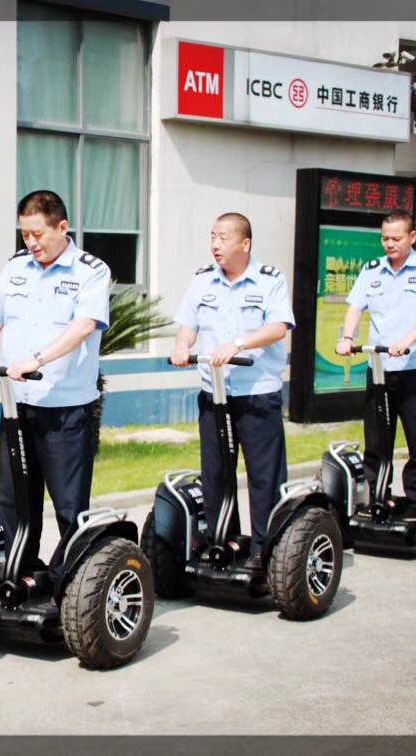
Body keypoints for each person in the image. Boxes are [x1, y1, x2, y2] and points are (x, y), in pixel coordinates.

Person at [0, 190, 110, 581]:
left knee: (69, 506)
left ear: (62, 227)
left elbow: (83, 327)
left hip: (66, 409)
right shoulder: (17, 267)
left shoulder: (91, 271)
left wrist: (37, 360)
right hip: (18, 404)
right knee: (14, 501)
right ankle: (18, 575)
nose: (31, 242)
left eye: (38, 234)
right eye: (25, 234)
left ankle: (70, 585)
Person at [170, 212, 295, 575]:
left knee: (263, 477)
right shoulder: (202, 280)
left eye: (223, 238)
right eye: (213, 237)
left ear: (245, 243)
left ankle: (265, 550)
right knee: (215, 475)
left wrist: (238, 344)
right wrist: (182, 345)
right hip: (214, 395)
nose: (215, 244)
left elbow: (278, 327)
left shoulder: (269, 279)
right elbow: (187, 325)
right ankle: (224, 543)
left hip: (256, 395)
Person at [336, 210, 416, 505]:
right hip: (379, 368)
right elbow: (355, 307)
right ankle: (377, 498)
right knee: (376, 440)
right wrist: (347, 337)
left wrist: (407, 341)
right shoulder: (372, 270)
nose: (389, 244)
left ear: (412, 237)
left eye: (396, 238)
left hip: (414, 369)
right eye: (385, 238)